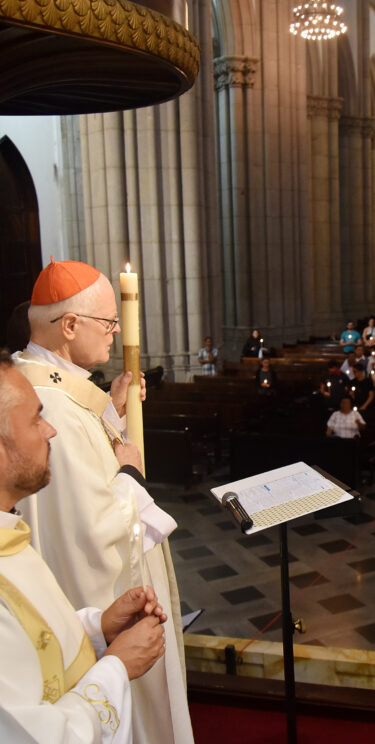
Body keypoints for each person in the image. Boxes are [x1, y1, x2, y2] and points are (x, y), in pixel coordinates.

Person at [13, 259, 192, 743]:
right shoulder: (51, 406)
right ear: (70, 326)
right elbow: (90, 527)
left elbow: (82, 471)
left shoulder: (49, 384)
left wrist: (110, 411)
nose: (116, 332)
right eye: (108, 322)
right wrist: (131, 472)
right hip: (96, 596)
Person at [0, 354, 169, 743]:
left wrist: (98, 627)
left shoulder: (11, 533)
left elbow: (34, 646)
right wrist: (117, 666)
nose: (51, 431)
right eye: (35, 420)